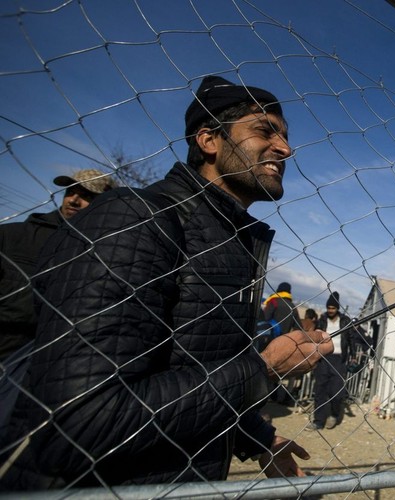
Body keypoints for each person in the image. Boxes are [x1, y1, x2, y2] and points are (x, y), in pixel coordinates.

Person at [0, 75, 334, 489]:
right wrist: (262, 368)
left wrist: (258, 437)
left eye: (284, 136)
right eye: (264, 131)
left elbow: (191, 366)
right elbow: (80, 423)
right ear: (209, 141)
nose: (285, 148)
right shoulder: (136, 219)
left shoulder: (227, 240)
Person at [0, 169, 117, 361]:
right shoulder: (14, 236)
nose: (73, 200)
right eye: (70, 192)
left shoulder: (107, 253)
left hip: (59, 359)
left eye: (86, 196)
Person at [309, 291, 352, 430]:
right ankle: (318, 421)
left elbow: (352, 338)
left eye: (333, 308)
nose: (330, 310)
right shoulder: (322, 320)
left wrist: (354, 355)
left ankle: (334, 414)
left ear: (337, 308)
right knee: (320, 391)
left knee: (337, 393)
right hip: (323, 359)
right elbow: (314, 337)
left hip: (339, 359)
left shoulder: (345, 321)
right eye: (329, 308)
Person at [257, 281, 303, 351]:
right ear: (289, 292)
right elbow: (299, 327)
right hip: (284, 342)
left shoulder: (274, 301)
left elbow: (265, 318)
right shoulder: (293, 307)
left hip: (269, 340)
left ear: (278, 290)